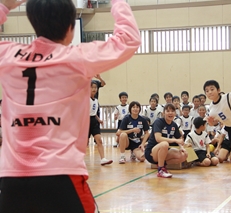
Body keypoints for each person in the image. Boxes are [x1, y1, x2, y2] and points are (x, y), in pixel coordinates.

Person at [0, 0, 140, 212]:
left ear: (33, 22)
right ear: (70, 28)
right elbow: (128, 39)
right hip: (62, 176)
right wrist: (118, 1)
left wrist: (4, 6)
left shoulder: (8, 56)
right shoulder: (76, 58)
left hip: (11, 180)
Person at [144, 104, 188, 178]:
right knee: (164, 143)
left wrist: (181, 147)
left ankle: (162, 164)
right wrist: (174, 140)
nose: (170, 113)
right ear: (163, 113)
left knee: (184, 155)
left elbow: (180, 139)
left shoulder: (174, 125)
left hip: (164, 150)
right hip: (151, 153)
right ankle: (161, 170)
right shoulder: (158, 122)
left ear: (175, 113)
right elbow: (158, 138)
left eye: (172, 111)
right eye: (168, 111)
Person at [89, 82, 113, 165]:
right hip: (85, 122)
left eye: (95, 87)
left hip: (94, 121)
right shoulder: (85, 99)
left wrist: (99, 120)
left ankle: (103, 159)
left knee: (99, 140)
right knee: (84, 143)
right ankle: (78, 160)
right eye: (92, 87)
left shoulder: (95, 100)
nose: (94, 89)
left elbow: (93, 112)